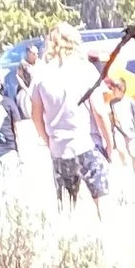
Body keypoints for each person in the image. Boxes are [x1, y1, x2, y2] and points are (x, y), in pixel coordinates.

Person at [27, 23, 110, 210]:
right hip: (86, 144)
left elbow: (35, 115)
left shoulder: (41, 73)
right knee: (102, 201)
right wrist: (109, 142)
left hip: (59, 148)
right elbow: (99, 110)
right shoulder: (85, 69)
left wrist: (48, 140)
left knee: (68, 206)